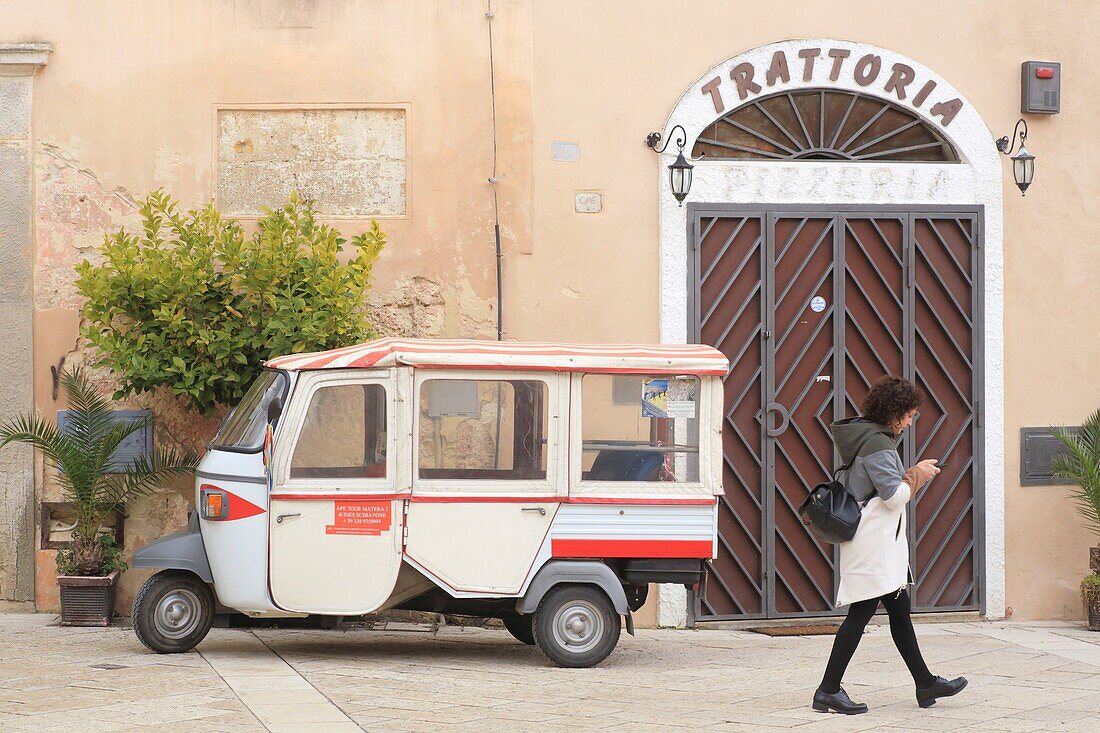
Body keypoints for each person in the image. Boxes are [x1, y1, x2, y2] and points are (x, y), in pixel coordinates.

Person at [812, 375, 968, 715]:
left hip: (877, 543)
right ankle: (827, 690)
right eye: (909, 415)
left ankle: (926, 683)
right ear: (894, 413)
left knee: (899, 611)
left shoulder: (866, 436)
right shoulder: (878, 445)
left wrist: (910, 472)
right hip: (874, 545)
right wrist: (918, 474)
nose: (910, 423)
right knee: (861, 613)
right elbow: (894, 496)